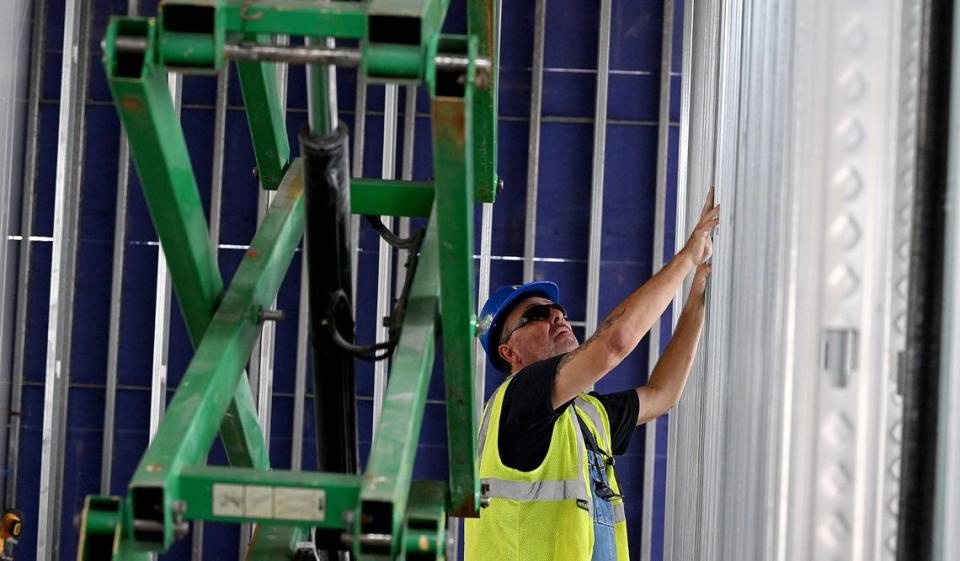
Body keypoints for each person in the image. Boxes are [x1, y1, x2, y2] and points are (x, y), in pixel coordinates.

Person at [463, 190, 720, 561]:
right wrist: (688, 258)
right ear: (509, 353)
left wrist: (698, 294)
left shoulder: (587, 416)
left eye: (559, 310)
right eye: (536, 316)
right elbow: (614, 344)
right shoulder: (520, 399)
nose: (557, 317)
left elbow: (662, 395)